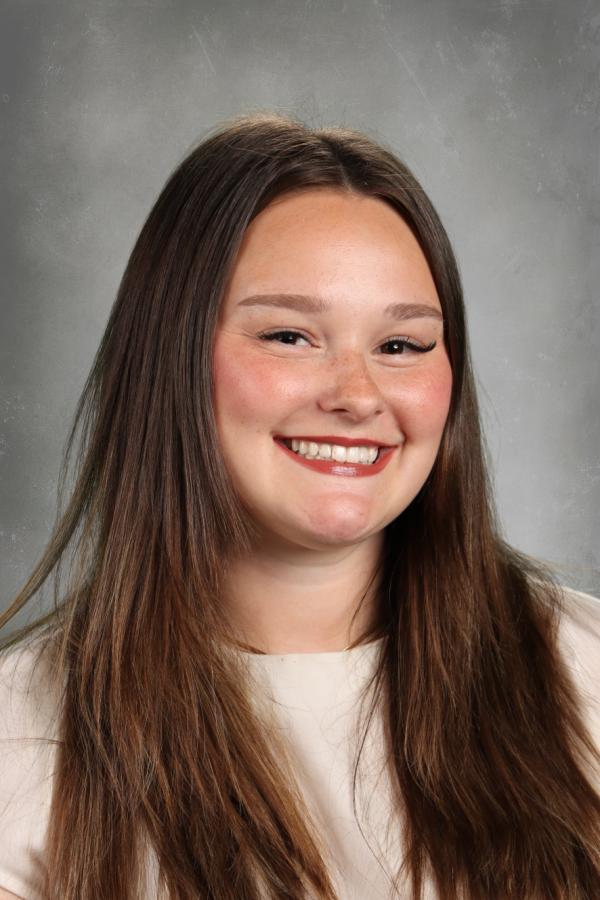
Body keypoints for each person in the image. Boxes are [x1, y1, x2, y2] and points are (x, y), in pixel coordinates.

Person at [0, 112, 599, 900]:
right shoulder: (19, 737)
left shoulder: (585, 669)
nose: (357, 396)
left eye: (401, 346)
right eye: (289, 336)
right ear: (171, 357)